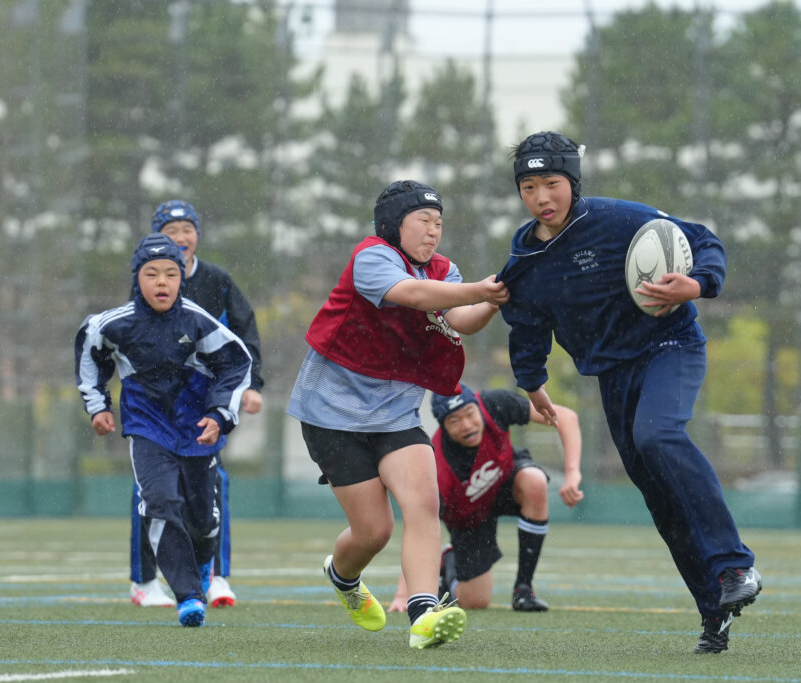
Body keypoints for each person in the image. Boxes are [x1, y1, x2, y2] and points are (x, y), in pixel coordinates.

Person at [496, 131, 761, 654]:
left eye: (552, 183)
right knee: (659, 496)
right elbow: (526, 323)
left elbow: (703, 240)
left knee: (658, 435)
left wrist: (698, 283)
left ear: (573, 182)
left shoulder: (618, 218)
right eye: (529, 187)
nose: (542, 197)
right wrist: (532, 382)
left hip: (670, 345)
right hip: (613, 375)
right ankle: (715, 612)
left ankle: (735, 566)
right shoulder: (525, 258)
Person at [287, 180, 509, 649]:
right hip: (332, 415)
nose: (433, 231)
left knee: (424, 504)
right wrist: (479, 289)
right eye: (423, 221)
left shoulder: (444, 269)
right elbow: (417, 295)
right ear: (393, 225)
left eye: (439, 223)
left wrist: (493, 299)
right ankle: (342, 576)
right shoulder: (372, 257)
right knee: (374, 532)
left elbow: (461, 318)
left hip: (397, 414)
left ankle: (424, 613)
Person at [75, 233, 252, 627]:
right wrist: (98, 405)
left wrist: (220, 414)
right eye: (151, 273)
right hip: (147, 428)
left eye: (171, 274)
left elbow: (237, 363)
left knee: (203, 522)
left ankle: (203, 565)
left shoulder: (197, 321)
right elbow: (89, 346)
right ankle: (188, 597)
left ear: (181, 279)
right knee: (158, 501)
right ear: (137, 278)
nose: (162, 282)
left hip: (197, 430)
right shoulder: (115, 323)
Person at [128, 200, 263, 609]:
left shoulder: (217, 279)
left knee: (213, 484)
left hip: (205, 403)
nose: (182, 237)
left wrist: (251, 386)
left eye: (188, 229)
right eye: (171, 231)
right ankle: (144, 581)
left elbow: (244, 334)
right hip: (156, 406)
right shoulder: (146, 280)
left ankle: (216, 576)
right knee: (150, 490)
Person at [388, 384, 584, 615]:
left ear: (478, 407)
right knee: (476, 600)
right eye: (454, 421)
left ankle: (523, 589)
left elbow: (566, 418)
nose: (467, 425)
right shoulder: (438, 467)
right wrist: (403, 594)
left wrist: (573, 473)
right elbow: (420, 529)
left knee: (535, 481)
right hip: (469, 518)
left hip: (504, 481)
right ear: (443, 427)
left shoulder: (494, 404)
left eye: (470, 414)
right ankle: (447, 562)